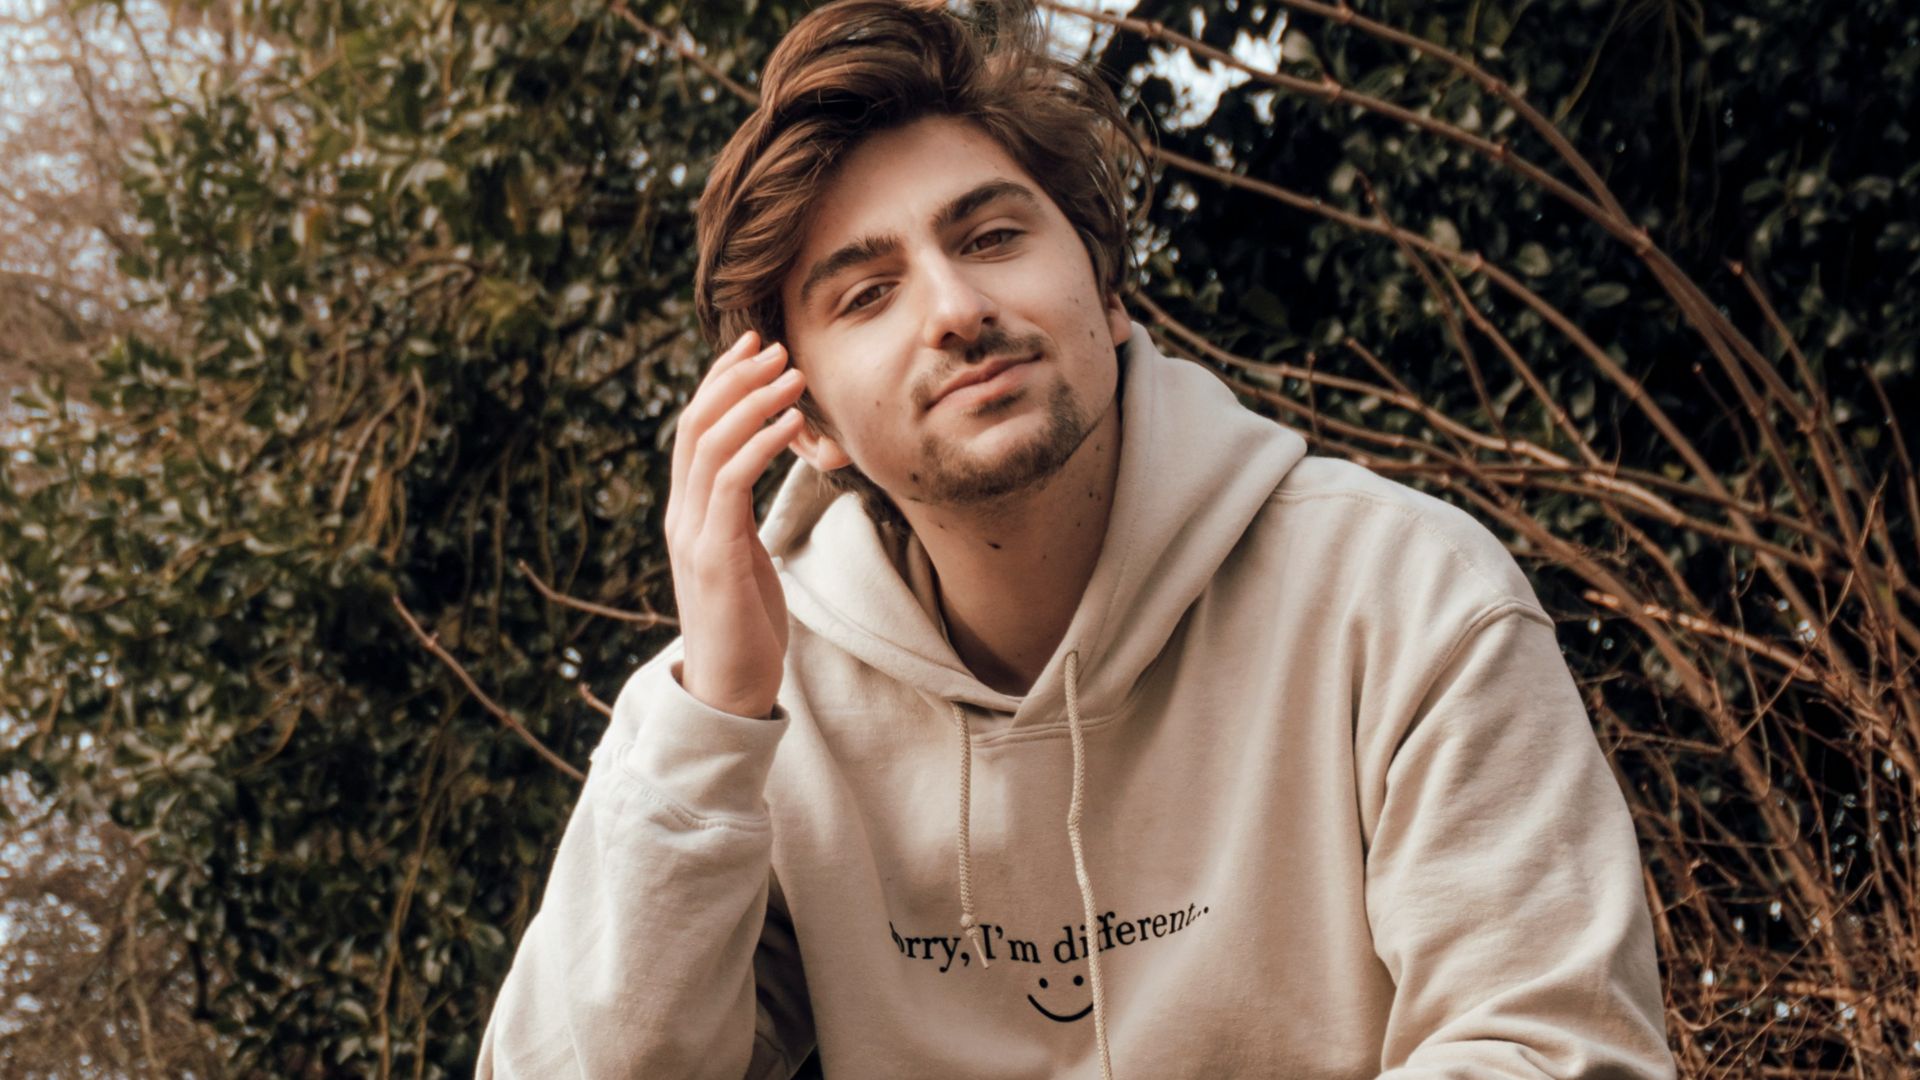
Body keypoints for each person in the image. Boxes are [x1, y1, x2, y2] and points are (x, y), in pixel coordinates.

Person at [478, 1, 1676, 1077]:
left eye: (993, 237)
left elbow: (1552, 1048)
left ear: (1107, 293)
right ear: (806, 423)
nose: (956, 311)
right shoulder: (754, 709)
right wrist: (717, 715)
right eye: (867, 294)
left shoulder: (1405, 598)